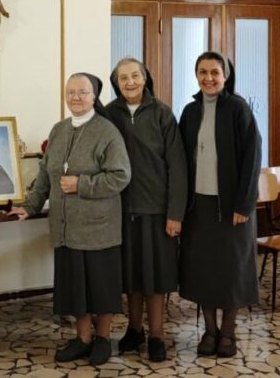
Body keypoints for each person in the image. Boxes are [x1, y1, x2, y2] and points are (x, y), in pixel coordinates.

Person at [9, 72, 131, 366]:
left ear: (94, 96)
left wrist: (82, 185)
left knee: (100, 287)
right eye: (71, 91)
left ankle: (102, 339)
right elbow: (45, 175)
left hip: (99, 227)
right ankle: (83, 339)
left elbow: (121, 176)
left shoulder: (107, 131)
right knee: (76, 288)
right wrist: (30, 206)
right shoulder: (59, 129)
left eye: (83, 92)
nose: (76, 97)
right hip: (66, 227)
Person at [178, 51, 262, 358]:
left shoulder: (238, 109)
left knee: (231, 272)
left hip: (233, 208)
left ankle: (228, 333)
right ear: (196, 75)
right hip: (198, 207)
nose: (208, 78)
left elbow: (253, 159)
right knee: (203, 272)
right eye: (203, 72)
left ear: (225, 76)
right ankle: (209, 332)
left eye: (215, 72)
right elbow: (180, 161)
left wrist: (243, 204)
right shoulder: (189, 112)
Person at [106, 58, 187, 362]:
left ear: (145, 78)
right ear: (116, 82)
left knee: (156, 277)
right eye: (123, 77)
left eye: (135, 76)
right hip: (122, 210)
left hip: (157, 210)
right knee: (131, 275)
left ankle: (156, 334)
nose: (130, 82)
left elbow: (177, 167)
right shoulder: (109, 114)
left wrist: (175, 214)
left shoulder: (162, 114)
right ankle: (133, 329)